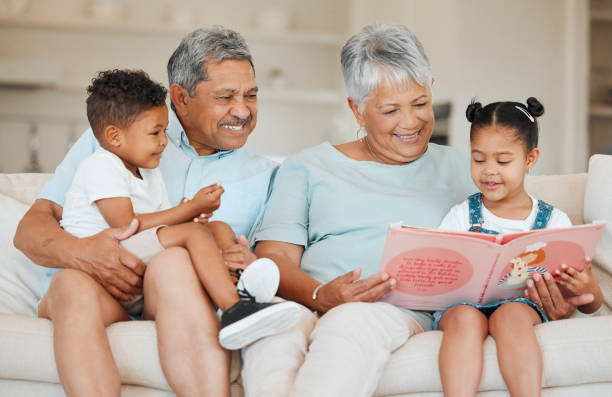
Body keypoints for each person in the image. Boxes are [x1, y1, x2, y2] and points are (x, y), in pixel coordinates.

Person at [14, 26, 287, 397]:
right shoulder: (121, 138)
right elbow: (30, 229)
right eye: (225, 97)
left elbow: (275, 266)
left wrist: (246, 261)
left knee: (173, 263)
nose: (242, 110)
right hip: (96, 292)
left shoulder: (269, 177)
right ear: (181, 97)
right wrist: (84, 253)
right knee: (70, 283)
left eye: (251, 96)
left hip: (174, 292)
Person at [242, 23, 475, 397]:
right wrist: (321, 294)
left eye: (420, 103)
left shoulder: (467, 169)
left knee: (352, 322)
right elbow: (274, 258)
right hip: (308, 300)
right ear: (357, 109)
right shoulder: (306, 167)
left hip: (395, 312)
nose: (411, 122)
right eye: (390, 110)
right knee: (271, 332)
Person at [60, 68, 299, 351]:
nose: (164, 141)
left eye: (164, 130)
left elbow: (164, 221)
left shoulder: (148, 172)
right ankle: (234, 310)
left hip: (133, 250)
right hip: (111, 261)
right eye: (155, 132)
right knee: (194, 235)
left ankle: (237, 283)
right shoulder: (101, 166)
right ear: (115, 136)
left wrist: (192, 213)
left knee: (216, 227)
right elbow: (125, 224)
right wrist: (189, 211)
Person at [435, 98, 604, 397]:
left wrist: (586, 286)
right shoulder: (460, 215)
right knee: (464, 317)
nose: (489, 171)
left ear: (530, 159)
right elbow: (440, 271)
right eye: (478, 159)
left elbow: (590, 304)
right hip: (462, 305)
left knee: (511, 314)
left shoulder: (554, 221)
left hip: (522, 307)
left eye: (502, 161)